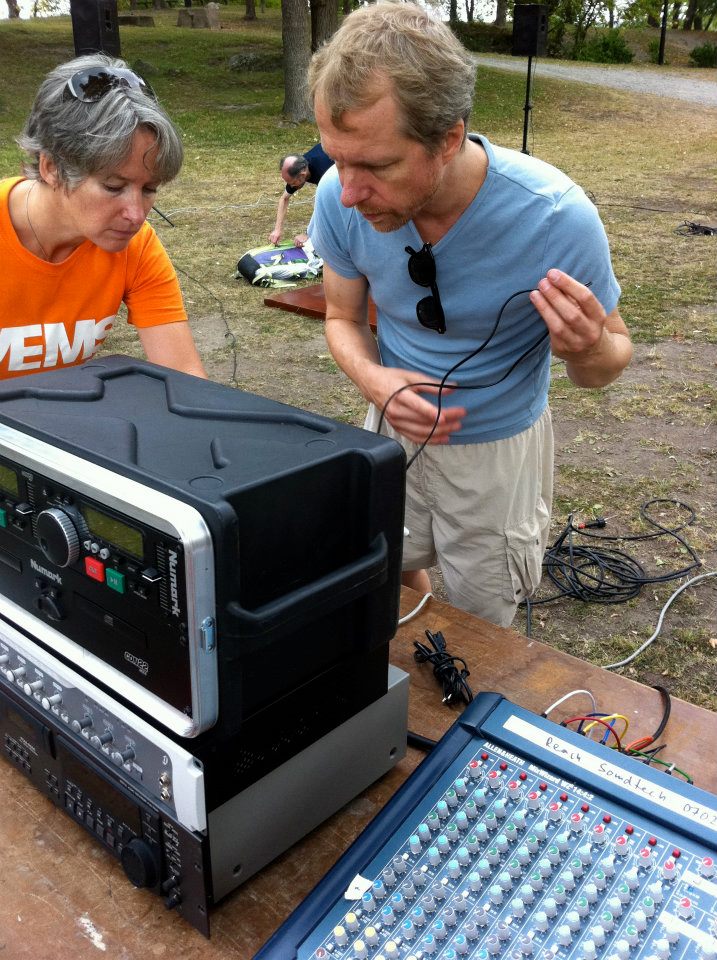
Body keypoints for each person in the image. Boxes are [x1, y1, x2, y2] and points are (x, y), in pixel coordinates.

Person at [307, 3, 632, 627]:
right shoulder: (339, 195)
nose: (347, 192)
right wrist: (379, 383)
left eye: (375, 166)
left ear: (448, 137)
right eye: (334, 158)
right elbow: (342, 320)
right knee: (384, 570)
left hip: (494, 456)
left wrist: (587, 348)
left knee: (483, 622)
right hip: (390, 425)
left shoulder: (555, 218)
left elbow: (605, 367)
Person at [1, 54, 207, 381]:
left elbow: (184, 378)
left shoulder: (135, 246)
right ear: (51, 167)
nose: (136, 214)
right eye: (113, 186)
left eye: (149, 188)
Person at [269, 143, 334, 247]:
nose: (292, 186)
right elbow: (284, 199)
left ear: (302, 175)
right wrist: (277, 230)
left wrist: (308, 234)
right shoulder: (298, 168)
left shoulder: (324, 173)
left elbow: (326, 205)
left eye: (293, 183)